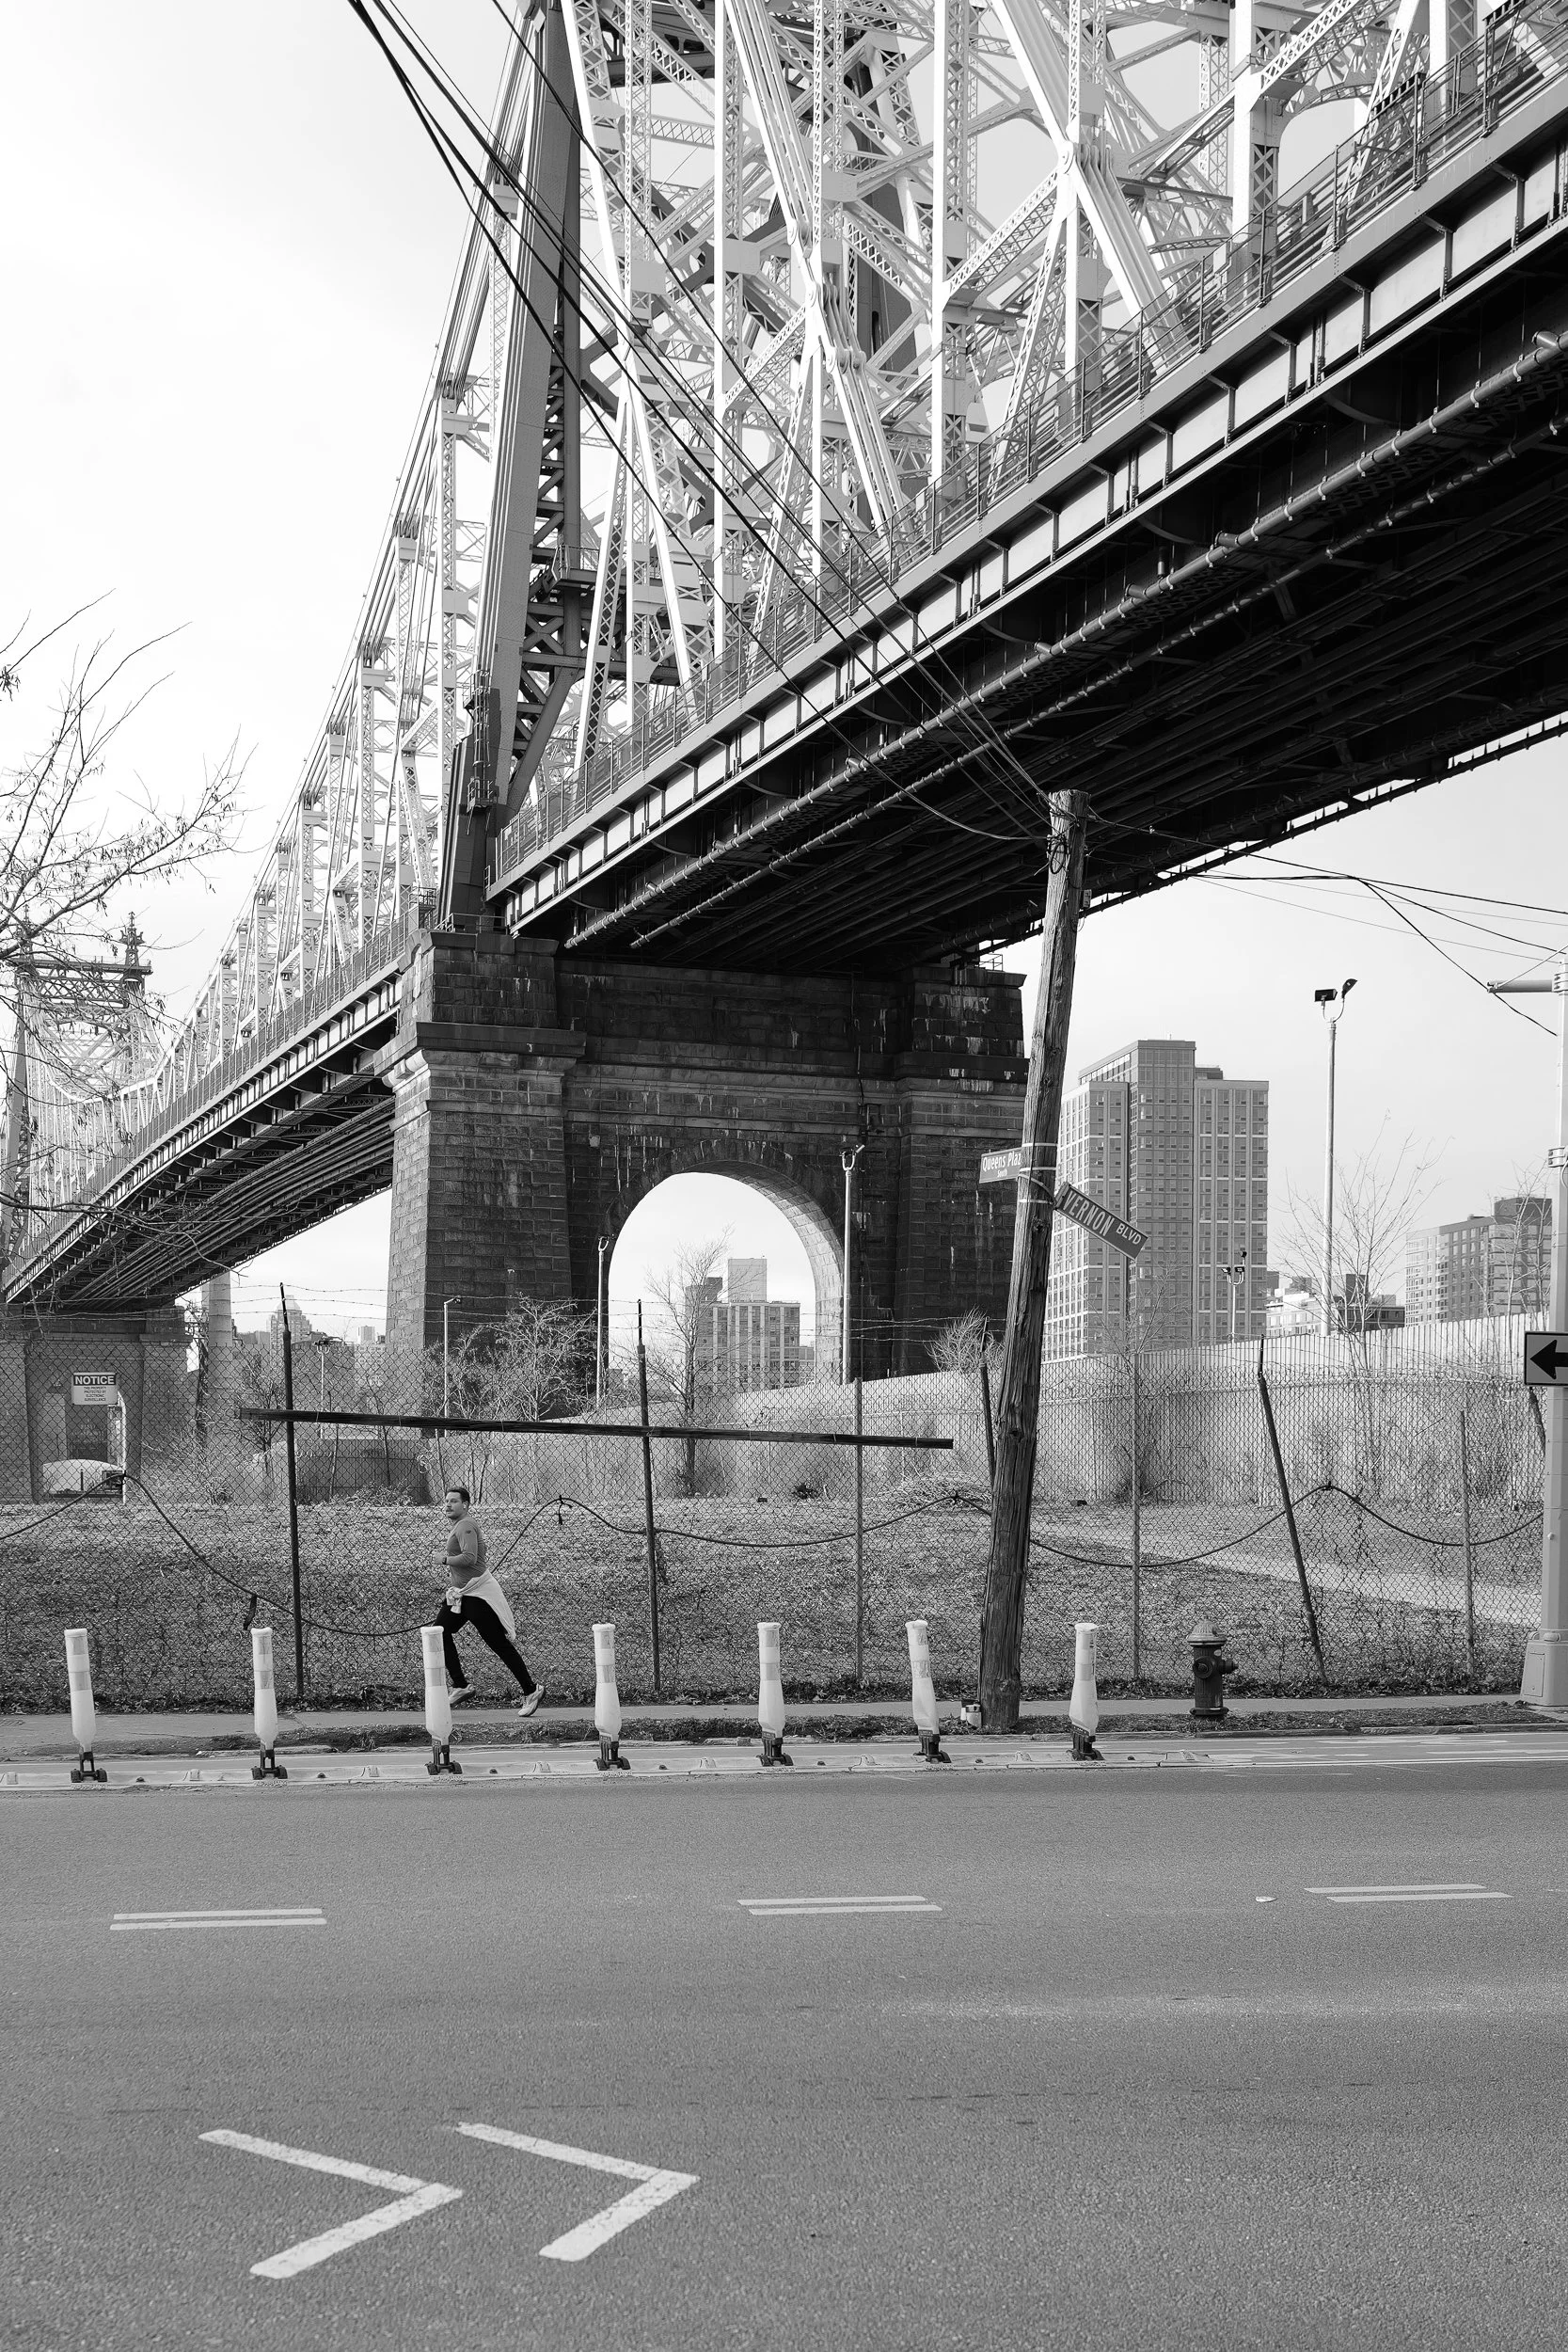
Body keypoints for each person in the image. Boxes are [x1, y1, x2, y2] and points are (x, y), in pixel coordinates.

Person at [436, 1486, 542, 1717]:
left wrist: (443, 1559)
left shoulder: (465, 1525)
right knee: (439, 1631)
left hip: (477, 1595)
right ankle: (461, 1685)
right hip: (462, 1594)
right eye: (446, 1501)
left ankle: (531, 1690)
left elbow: (469, 1557)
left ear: (465, 1505)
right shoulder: (460, 1525)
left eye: (454, 1501)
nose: (448, 1505)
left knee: (498, 1644)